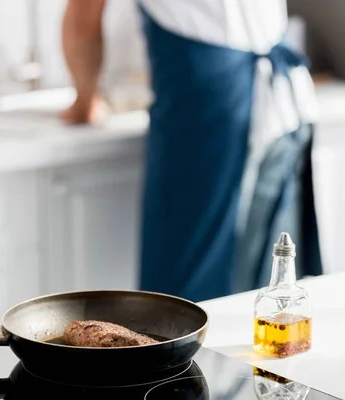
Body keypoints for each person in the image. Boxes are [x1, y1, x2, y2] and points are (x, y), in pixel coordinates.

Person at [60, 0, 323, 302]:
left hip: (210, 110)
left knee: (182, 304)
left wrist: (84, 101)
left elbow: (83, 20)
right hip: (286, 105)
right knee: (264, 288)